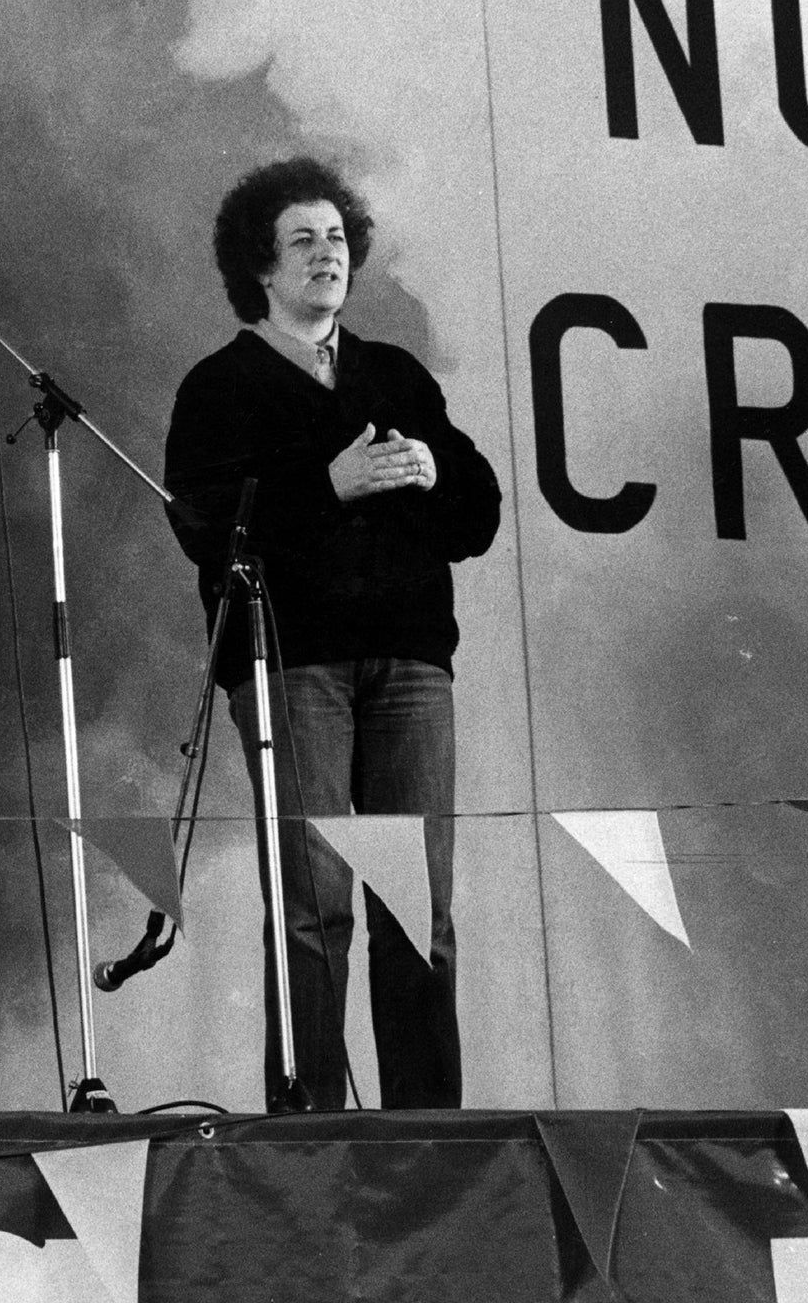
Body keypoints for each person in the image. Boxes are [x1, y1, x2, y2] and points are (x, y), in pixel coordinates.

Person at [163, 157, 502, 1109]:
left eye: (339, 239)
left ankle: (431, 1127)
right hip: (291, 668)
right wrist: (330, 486)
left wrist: (434, 471)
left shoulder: (393, 375)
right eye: (303, 241)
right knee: (316, 909)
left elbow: (476, 517)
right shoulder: (218, 386)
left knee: (418, 913)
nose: (328, 256)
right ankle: (306, 1121)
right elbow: (199, 526)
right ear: (260, 269)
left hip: (410, 668)